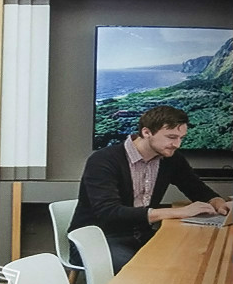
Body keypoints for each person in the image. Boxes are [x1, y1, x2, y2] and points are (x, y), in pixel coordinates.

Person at [68, 105, 229, 273]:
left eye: (181, 138)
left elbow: (197, 189)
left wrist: (218, 203)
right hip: (95, 239)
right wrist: (178, 212)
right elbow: (109, 212)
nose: (177, 144)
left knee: (193, 258)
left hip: (140, 236)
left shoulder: (171, 159)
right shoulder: (103, 160)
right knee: (140, 270)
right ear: (146, 132)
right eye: (171, 137)